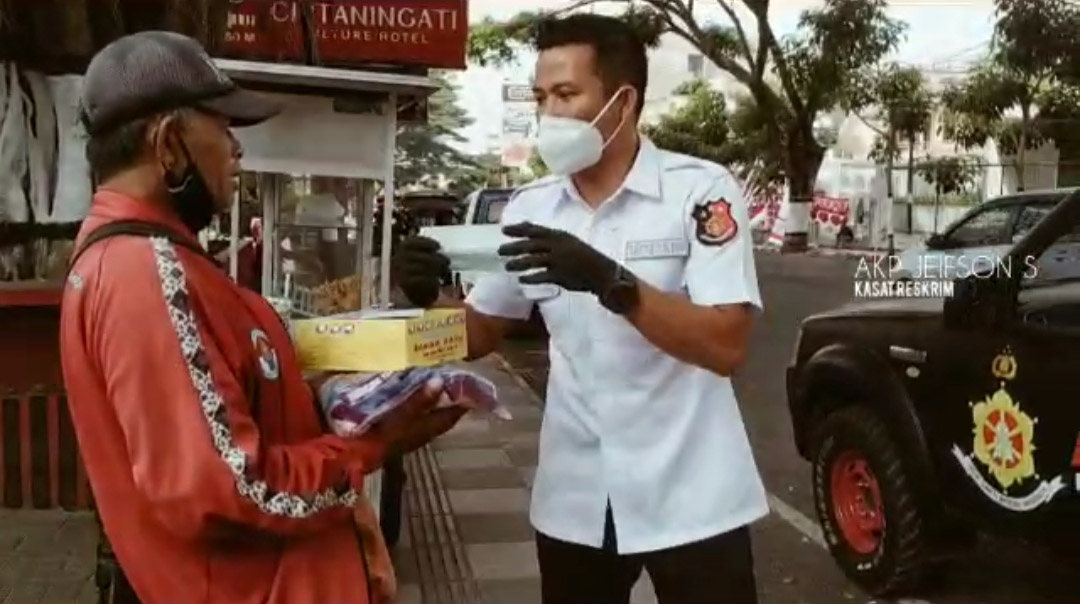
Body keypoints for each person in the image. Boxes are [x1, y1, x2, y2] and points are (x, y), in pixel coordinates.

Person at [59, 31, 465, 604]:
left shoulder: (155, 258)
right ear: (169, 144)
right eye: (223, 128)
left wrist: (328, 397)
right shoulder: (143, 274)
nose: (237, 149)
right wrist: (371, 447)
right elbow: (228, 489)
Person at [394, 14, 767, 604]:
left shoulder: (699, 190)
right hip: (577, 497)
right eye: (543, 97)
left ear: (623, 102)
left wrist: (610, 283)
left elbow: (725, 344)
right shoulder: (531, 207)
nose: (550, 114)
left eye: (567, 95)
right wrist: (427, 297)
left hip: (694, 495)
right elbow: (481, 330)